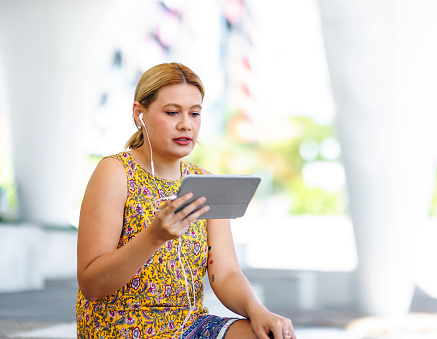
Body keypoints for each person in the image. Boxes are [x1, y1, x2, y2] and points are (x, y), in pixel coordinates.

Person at [75, 62, 296, 339]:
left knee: (271, 336)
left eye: (194, 113)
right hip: (121, 327)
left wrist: (258, 310)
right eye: (171, 112)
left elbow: (225, 273)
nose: (186, 125)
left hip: (188, 325)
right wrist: (153, 236)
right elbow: (91, 284)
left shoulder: (206, 182)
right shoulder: (115, 172)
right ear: (139, 114)